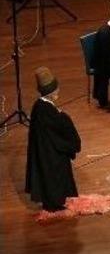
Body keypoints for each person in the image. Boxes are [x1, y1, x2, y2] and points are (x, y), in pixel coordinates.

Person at [25, 67, 81, 212]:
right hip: (50, 154)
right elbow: (61, 129)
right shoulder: (49, 111)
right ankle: (54, 202)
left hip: (43, 152)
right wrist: (63, 116)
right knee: (55, 174)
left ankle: (52, 200)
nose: (58, 91)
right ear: (52, 92)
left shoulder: (38, 106)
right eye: (56, 89)